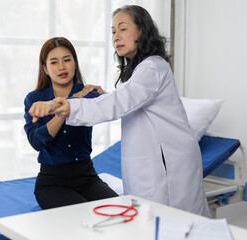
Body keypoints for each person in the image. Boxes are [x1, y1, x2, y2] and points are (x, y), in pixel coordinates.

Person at [28, 5, 210, 217]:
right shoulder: (140, 71)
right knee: (155, 223)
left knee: (174, 223)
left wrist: (61, 105)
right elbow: (125, 101)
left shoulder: (153, 68)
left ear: (141, 31)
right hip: (55, 179)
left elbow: (119, 103)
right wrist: (102, 97)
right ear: (45, 68)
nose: (116, 37)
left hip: (168, 163)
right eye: (113, 31)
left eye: (122, 29)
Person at [24, 37, 118, 210]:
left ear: (75, 63)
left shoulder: (89, 94)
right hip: (52, 183)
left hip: (87, 178)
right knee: (80, 215)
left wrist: (102, 95)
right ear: (45, 68)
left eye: (67, 60)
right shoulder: (35, 99)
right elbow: (37, 142)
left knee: (118, 210)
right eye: (54, 62)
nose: (61, 67)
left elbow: (115, 107)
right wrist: (64, 111)